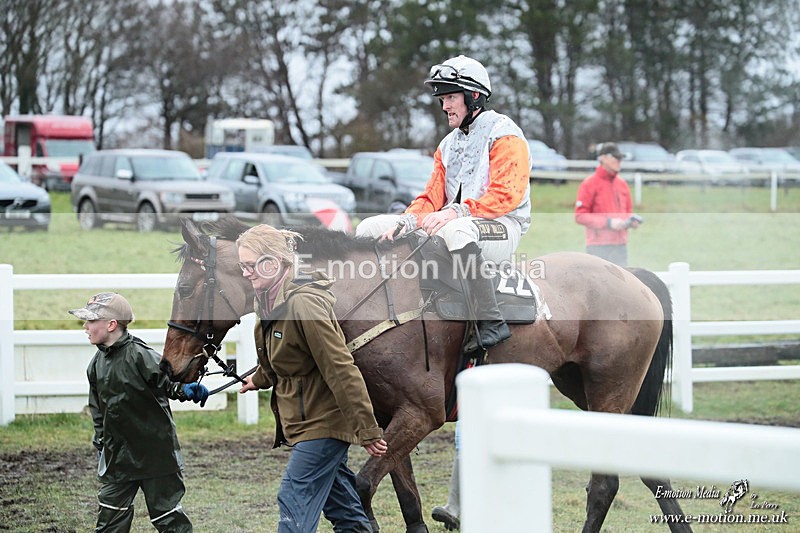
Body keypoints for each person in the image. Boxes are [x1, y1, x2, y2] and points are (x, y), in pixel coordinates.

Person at [355, 54, 532, 354]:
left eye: (450, 97)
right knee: (369, 226)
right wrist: (407, 221)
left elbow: (506, 194)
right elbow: (431, 197)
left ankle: (491, 322)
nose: (444, 106)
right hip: (459, 221)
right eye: (442, 98)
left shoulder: (505, 134)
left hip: (503, 224)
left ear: (474, 96)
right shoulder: (448, 144)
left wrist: (457, 212)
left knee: (456, 231)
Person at [235, 224, 388, 533]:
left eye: (253, 265)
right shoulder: (266, 298)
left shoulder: (305, 304)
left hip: (325, 421)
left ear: (276, 261)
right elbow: (283, 353)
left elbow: (339, 366)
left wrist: (367, 429)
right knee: (343, 509)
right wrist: (261, 378)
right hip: (303, 419)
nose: (247, 273)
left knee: (294, 498)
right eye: (243, 266)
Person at [70, 291, 209, 533]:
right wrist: (101, 444)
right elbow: (98, 412)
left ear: (111, 324)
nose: (85, 326)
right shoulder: (95, 365)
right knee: (110, 522)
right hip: (118, 458)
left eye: (91, 321)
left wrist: (187, 388)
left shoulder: (139, 354)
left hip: (156, 454)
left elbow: (167, 382)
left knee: (168, 519)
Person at [574, 142, 641, 266]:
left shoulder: (623, 184)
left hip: (620, 246)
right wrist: (609, 223)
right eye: (615, 158)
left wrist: (631, 221)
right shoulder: (589, 184)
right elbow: (580, 216)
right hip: (598, 247)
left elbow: (628, 212)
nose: (619, 161)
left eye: (620, 158)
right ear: (603, 158)